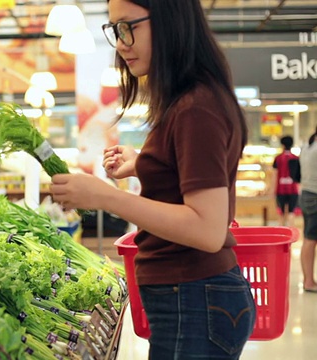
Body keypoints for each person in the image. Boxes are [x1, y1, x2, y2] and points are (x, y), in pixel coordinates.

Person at [50, 0, 255, 358]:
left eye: (129, 26)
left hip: (193, 296)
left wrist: (105, 197)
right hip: (192, 295)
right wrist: (145, 163)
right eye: (115, 29)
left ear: (169, 19)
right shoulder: (189, 101)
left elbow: (206, 229)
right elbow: (189, 179)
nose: (121, 42)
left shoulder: (196, 107)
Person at [300, 130, 317, 292]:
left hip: (306, 194)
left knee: (309, 238)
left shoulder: (307, 146)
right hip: (315, 196)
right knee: (311, 240)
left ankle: (308, 279)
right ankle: (309, 282)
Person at [273, 136, 300, 227]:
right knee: (291, 212)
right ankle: (291, 233)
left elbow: (275, 175)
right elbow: (299, 176)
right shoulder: (296, 158)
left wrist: (272, 189)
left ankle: (281, 233)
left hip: (280, 189)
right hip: (293, 189)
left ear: (282, 144)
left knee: (280, 212)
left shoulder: (278, 158)